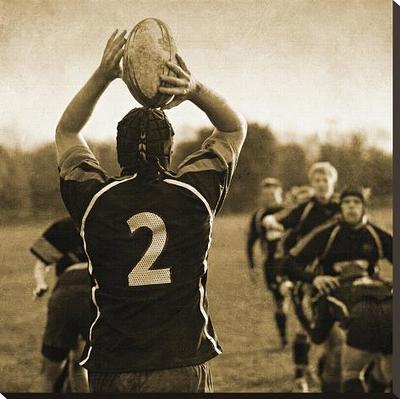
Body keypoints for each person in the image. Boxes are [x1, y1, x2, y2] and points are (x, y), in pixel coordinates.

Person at [54, 30, 247, 393]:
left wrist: (103, 75)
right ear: (170, 148)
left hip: (113, 361)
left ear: (117, 150)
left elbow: (67, 131)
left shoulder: (96, 200)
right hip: (179, 359)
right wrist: (195, 89)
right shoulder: (193, 194)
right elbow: (234, 127)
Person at [283, 187, 393, 392]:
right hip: (330, 300)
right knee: (336, 354)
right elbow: (289, 264)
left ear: (363, 207)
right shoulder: (327, 234)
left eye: (356, 202)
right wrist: (315, 278)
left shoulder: (376, 235)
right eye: (346, 203)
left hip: (367, 300)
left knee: (382, 362)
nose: (351, 207)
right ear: (340, 208)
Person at [265, 162, 340, 391]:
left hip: (334, 273)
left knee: (335, 328)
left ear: (332, 182)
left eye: (324, 180)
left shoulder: (341, 207)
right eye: (316, 180)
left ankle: (328, 369)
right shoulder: (306, 208)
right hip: (306, 274)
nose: (320, 184)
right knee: (303, 326)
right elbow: (279, 220)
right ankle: (300, 374)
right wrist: (270, 222)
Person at [294, 263, 392, 392]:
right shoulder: (382, 283)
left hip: (364, 318)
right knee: (386, 374)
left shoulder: (331, 289)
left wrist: (299, 312)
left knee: (352, 372)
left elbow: (318, 338)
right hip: (393, 314)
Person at [30, 217, 90, 392]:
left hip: (65, 293)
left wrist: (41, 284)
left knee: (50, 371)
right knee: (85, 363)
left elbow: (41, 263)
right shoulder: (107, 218)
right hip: (96, 291)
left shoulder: (63, 226)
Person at [246, 177, 289, 348]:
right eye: (266, 194)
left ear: (280, 193)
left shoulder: (290, 211)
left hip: (292, 261)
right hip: (271, 264)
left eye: (273, 193)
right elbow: (250, 242)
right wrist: (252, 266)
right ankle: (284, 337)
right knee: (280, 301)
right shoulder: (258, 216)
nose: (270, 197)